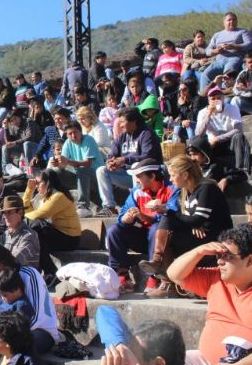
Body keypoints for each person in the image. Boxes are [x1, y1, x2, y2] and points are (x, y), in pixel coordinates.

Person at [168, 227, 252, 365]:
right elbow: (174, 274)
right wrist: (198, 252)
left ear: (250, 260)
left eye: (227, 256)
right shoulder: (216, 278)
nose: (219, 261)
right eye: (218, 255)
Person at [139, 155, 232, 298]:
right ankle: (165, 275)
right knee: (168, 225)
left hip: (216, 237)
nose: (170, 179)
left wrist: (186, 219)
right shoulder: (186, 191)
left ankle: (163, 271)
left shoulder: (206, 188)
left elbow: (197, 219)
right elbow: (190, 220)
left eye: (172, 175)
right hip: (199, 234)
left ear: (185, 175)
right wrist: (192, 222)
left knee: (168, 220)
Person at [105, 159, 180, 293]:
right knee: (114, 231)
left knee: (156, 228)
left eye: (139, 176)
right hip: (143, 237)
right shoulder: (136, 191)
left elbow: (172, 214)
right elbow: (123, 212)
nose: (136, 180)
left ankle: (154, 277)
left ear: (152, 176)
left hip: (165, 240)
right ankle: (122, 275)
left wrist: (144, 217)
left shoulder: (172, 189)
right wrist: (125, 218)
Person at [93, 307, 197, 365]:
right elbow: (104, 311)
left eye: (131, 356)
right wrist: (120, 345)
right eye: (127, 353)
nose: (124, 358)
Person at [96, 107, 163, 216]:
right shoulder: (122, 136)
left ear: (133, 121)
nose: (120, 125)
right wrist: (110, 163)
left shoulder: (146, 134)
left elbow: (148, 157)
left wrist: (125, 160)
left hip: (150, 176)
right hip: (127, 175)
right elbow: (112, 154)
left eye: (123, 122)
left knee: (136, 166)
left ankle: (136, 205)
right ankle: (109, 207)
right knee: (101, 170)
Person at [23, 170, 81, 277]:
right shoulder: (46, 197)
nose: (36, 186)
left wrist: (19, 219)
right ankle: (45, 271)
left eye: (38, 183)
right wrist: (29, 190)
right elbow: (28, 211)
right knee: (35, 233)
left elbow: (36, 215)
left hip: (70, 239)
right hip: (59, 235)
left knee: (36, 226)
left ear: (48, 182)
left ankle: (50, 271)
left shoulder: (59, 196)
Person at [195, 86, 250, 173]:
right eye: (213, 98)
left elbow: (238, 129)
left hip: (230, 141)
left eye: (219, 98)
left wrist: (218, 138)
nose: (216, 100)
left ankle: (241, 170)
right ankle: (205, 171)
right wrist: (208, 115)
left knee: (239, 136)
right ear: (209, 101)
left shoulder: (232, 108)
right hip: (213, 145)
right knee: (197, 142)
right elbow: (198, 134)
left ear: (223, 98)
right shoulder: (203, 112)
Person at [57, 120, 105, 217]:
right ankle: (58, 206)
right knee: (55, 173)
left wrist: (67, 162)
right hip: (80, 176)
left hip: (96, 176)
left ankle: (84, 207)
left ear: (80, 131)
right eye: (70, 133)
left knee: (83, 169)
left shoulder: (89, 140)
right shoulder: (67, 143)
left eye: (75, 132)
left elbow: (88, 163)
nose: (73, 135)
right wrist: (58, 164)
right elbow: (63, 165)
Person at [199, 12, 252, 91]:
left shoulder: (242, 32)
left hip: (234, 58)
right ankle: (203, 97)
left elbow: (250, 44)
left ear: (237, 21)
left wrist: (233, 46)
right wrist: (216, 51)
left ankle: (225, 95)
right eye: (229, 20)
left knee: (227, 76)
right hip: (218, 60)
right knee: (205, 75)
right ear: (224, 22)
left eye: (234, 20)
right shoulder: (217, 35)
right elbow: (207, 51)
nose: (232, 22)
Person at [0, 196, 40, 271]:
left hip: (21, 279)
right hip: (3, 275)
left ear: (20, 212)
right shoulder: (5, 234)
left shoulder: (29, 236)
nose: (5, 216)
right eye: (4, 213)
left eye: (9, 212)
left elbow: (13, 261)